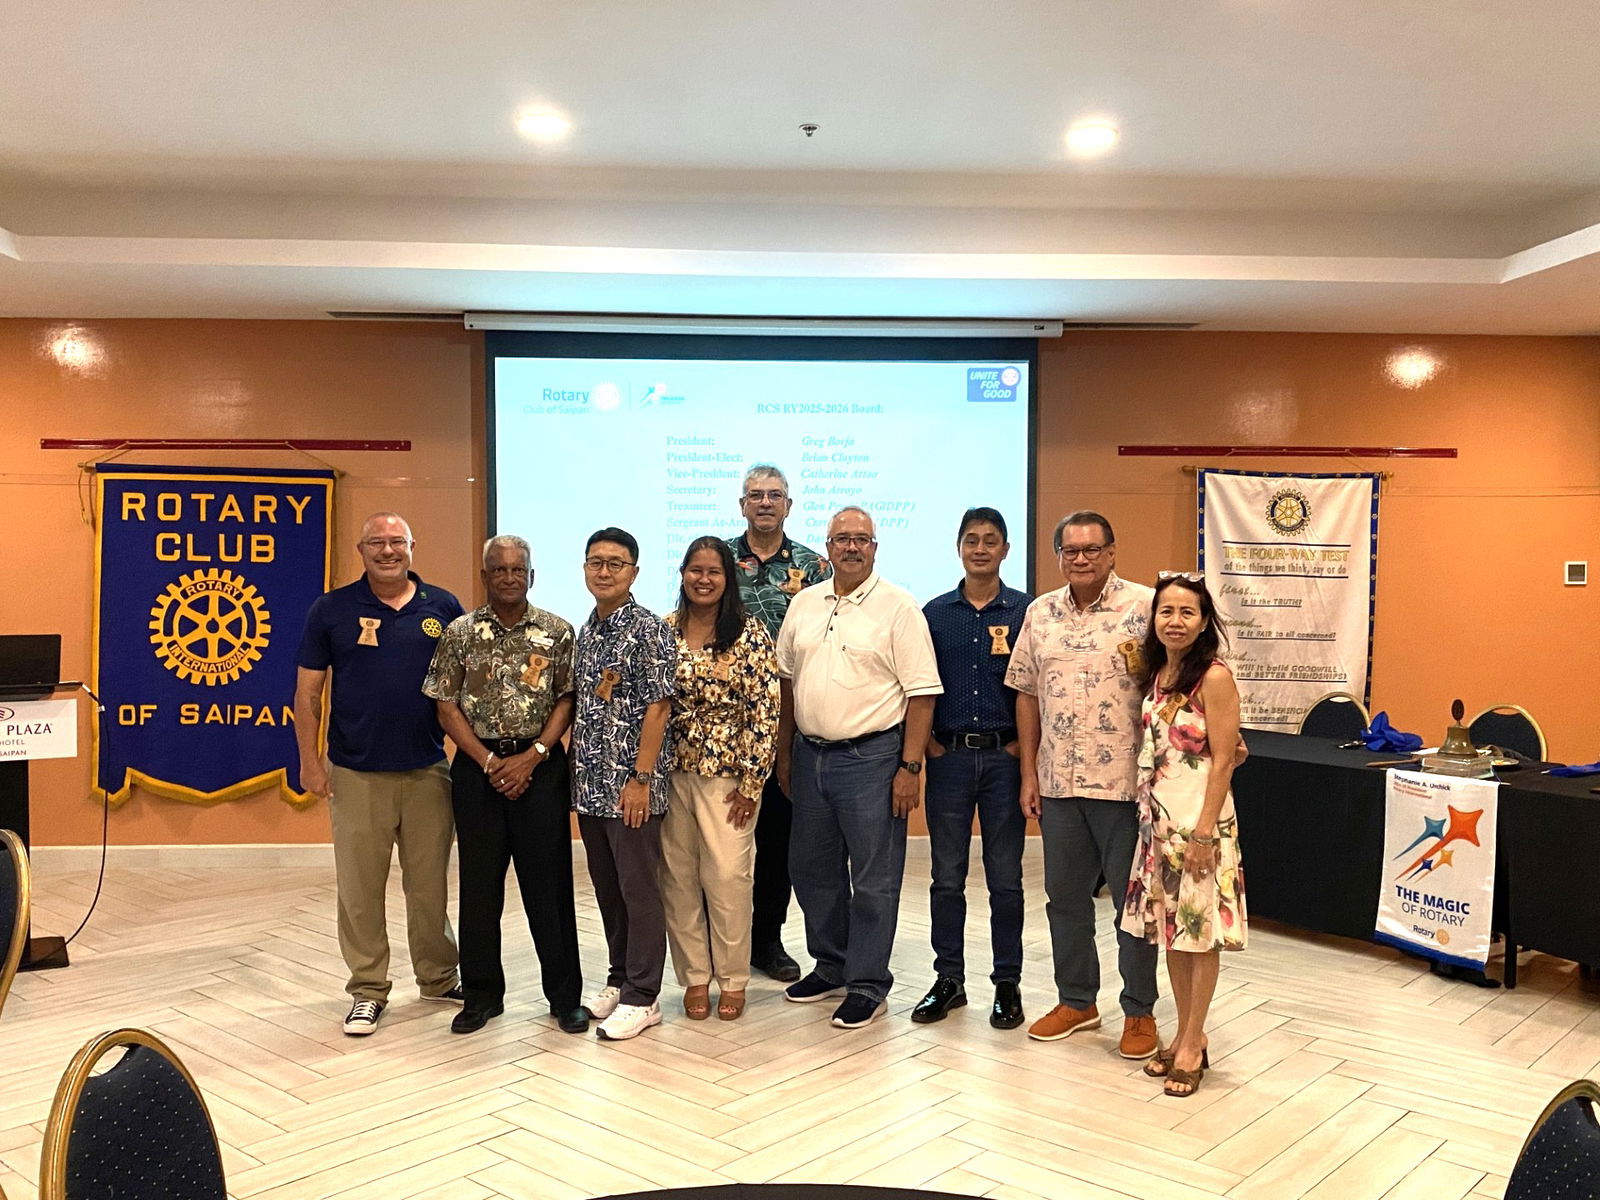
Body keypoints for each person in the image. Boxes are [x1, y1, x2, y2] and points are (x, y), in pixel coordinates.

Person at [293, 512, 464, 1036]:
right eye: (377, 543)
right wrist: (308, 761)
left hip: (428, 770)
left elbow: (462, 693)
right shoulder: (332, 609)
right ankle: (368, 989)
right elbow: (307, 694)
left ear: (414, 546)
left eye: (397, 542)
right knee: (360, 889)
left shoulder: (444, 607)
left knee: (430, 886)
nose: (387, 551)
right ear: (360, 550)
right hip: (356, 771)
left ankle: (438, 977)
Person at [775, 505, 942, 1029]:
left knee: (874, 878)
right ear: (826, 548)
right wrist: (784, 755)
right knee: (811, 869)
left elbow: (921, 694)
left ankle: (868, 983)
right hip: (809, 756)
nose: (851, 547)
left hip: (872, 759)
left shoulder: (899, 607)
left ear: (875, 547)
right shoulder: (803, 603)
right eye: (841, 539)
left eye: (861, 539)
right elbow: (786, 683)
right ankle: (832, 965)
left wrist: (909, 766)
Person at [1005, 510, 1160, 1059]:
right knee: (1064, 900)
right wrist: (1028, 772)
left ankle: (1139, 1011)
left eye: (1092, 549)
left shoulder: (1146, 608)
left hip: (1125, 785)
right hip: (1058, 783)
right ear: (1059, 557)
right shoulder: (1039, 613)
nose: (1081, 559)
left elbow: (1178, 681)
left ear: (1112, 552)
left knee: (1132, 906)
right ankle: (1078, 1001)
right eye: (1071, 551)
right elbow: (1025, 692)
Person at [423, 534, 588, 1037]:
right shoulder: (459, 633)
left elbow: (567, 698)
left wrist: (533, 755)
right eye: (499, 570)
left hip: (540, 767)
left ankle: (564, 999)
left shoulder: (558, 632)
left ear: (532, 576)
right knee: (479, 888)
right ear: (484, 577)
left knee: (550, 887)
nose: (510, 578)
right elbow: (444, 703)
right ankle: (480, 996)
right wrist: (491, 760)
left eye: (519, 570)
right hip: (479, 768)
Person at [1121, 572, 1247, 1097]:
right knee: (1173, 931)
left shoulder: (1213, 677)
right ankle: (1181, 1033)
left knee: (1199, 934)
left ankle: (1194, 1042)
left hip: (1201, 823)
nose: (1175, 621)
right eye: (1166, 611)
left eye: (1186, 612)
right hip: (1159, 822)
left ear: (1203, 621)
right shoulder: (1159, 673)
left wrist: (1202, 833)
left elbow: (1225, 760)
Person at [913, 507, 1033, 1029]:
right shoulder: (934, 614)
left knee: (1006, 879)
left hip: (1006, 760)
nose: (980, 549)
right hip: (951, 760)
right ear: (958, 548)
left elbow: (1039, 689)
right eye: (971, 540)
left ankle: (1007, 982)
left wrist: (1024, 751)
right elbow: (916, 684)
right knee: (946, 877)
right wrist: (928, 748)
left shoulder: (1029, 611)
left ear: (1006, 550)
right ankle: (949, 980)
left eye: (991, 541)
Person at [661, 536, 781, 1021]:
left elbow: (766, 711)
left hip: (728, 782)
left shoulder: (749, 634)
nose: (703, 579)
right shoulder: (663, 631)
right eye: (695, 569)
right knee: (678, 880)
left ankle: (732, 978)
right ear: (683, 574)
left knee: (729, 879)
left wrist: (753, 784)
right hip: (670, 777)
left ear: (728, 580)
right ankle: (693, 977)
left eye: (713, 571)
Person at [727, 464, 831, 983]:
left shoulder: (815, 567)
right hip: (723, 729)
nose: (765, 503)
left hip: (791, 722)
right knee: (723, 840)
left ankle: (766, 939)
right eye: (755, 495)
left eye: (775, 495)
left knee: (778, 839)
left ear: (789, 505)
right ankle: (722, 940)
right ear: (741, 504)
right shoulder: (718, 560)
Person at [571, 527, 676, 1041]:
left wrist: (639, 778)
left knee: (639, 890)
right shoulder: (587, 631)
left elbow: (659, 708)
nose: (605, 571)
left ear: (634, 572)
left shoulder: (649, 629)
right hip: (590, 785)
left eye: (616, 563)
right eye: (596, 562)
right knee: (609, 889)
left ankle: (644, 995)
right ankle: (618, 976)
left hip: (632, 786)